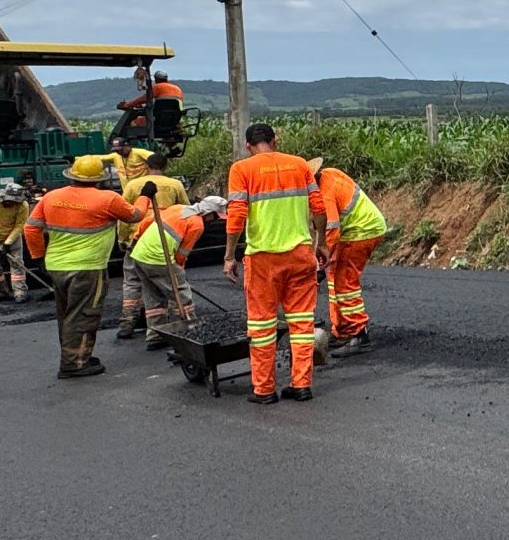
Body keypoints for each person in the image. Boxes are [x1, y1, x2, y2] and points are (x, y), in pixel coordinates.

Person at [224, 122, 331, 406]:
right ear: (275, 140)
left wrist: (229, 255)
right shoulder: (299, 165)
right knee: (301, 323)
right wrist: (321, 243)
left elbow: (236, 216)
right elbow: (318, 207)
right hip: (300, 255)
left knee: (262, 327)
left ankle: (264, 390)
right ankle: (302, 385)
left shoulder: (242, 169)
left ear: (248, 146)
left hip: (263, 258)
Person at [24, 155, 142, 379]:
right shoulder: (107, 199)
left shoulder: (51, 197)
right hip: (88, 267)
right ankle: (74, 364)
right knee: (84, 315)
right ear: (98, 179)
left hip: (56, 266)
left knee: (67, 314)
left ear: (73, 175)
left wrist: (38, 258)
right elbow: (136, 215)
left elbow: (31, 229)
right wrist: (145, 196)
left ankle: (76, 355)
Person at [309, 157, 390, 354]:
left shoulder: (323, 195)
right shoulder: (329, 173)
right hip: (363, 226)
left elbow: (331, 232)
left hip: (362, 231)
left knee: (345, 283)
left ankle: (359, 334)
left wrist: (319, 263)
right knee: (334, 277)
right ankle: (342, 331)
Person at [126, 191, 220, 347]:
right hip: (158, 258)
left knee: (153, 296)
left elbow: (147, 222)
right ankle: (190, 332)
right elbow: (181, 255)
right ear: (208, 212)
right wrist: (180, 275)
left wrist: (136, 241)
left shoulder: (178, 208)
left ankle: (155, 335)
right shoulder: (197, 224)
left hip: (139, 254)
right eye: (216, 216)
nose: (215, 220)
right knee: (181, 296)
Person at [113, 148, 190, 340]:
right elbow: (187, 211)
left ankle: (128, 321)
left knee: (132, 282)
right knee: (169, 282)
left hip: (137, 239)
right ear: (165, 166)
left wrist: (122, 239)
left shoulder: (133, 185)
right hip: (163, 239)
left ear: (147, 167)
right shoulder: (175, 185)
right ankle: (179, 322)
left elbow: (124, 216)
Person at [116, 61, 184, 145]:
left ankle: (138, 148)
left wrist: (127, 104)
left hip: (156, 121)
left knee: (133, 124)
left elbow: (143, 99)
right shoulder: (177, 89)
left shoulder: (157, 87)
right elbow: (167, 104)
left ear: (156, 79)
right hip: (173, 122)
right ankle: (172, 148)